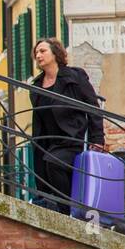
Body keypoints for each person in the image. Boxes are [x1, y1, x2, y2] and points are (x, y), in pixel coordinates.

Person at [28, 38, 105, 215]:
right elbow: (38, 118)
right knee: (44, 173)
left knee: (53, 163)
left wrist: (97, 139)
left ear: (55, 53)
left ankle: (66, 212)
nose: (38, 55)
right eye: (36, 53)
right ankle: (57, 210)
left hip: (71, 138)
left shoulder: (75, 76)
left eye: (43, 51)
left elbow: (92, 107)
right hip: (47, 142)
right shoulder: (37, 85)